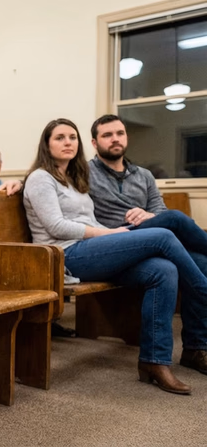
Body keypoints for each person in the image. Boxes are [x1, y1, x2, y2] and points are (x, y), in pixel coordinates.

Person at [23, 118, 207, 395]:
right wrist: (108, 234)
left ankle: (154, 362)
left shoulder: (74, 178)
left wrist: (111, 234)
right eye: (60, 137)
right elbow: (55, 226)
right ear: (46, 144)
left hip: (91, 250)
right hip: (65, 256)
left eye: (72, 137)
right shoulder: (40, 177)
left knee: (164, 269)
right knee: (164, 235)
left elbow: (89, 217)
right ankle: (203, 289)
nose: (68, 142)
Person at [88, 114, 207, 375]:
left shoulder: (144, 175)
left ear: (126, 137)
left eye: (119, 133)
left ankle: (196, 349)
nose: (115, 138)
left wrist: (148, 215)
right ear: (95, 143)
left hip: (149, 238)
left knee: (201, 261)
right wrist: (18, 183)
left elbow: (159, 213)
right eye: (107, 135)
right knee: (176, 217)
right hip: (114, 243)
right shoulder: (84, 172)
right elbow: (48, 180)